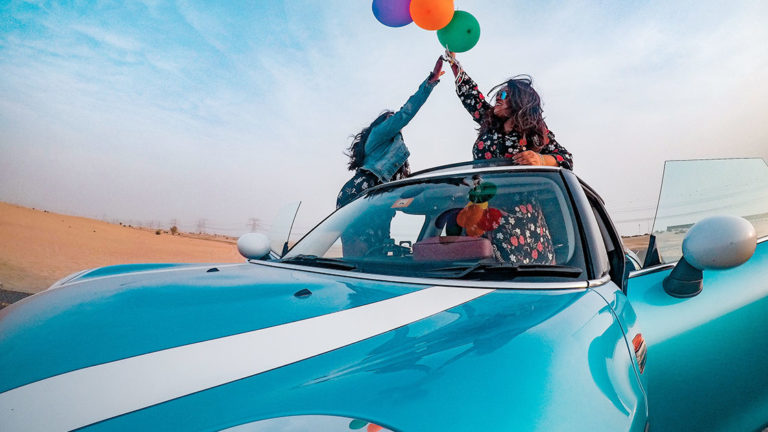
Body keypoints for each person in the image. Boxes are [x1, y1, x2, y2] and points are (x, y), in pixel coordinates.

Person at [446, 51, 573, 264]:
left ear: (519, 102)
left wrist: (541, 160)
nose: (497, 98)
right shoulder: (488, 120)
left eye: (504, 95)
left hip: (521, 222)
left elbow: (565, 159)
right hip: (481, 212)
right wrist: (454, 63)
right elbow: (470, 95)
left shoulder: (535, 132)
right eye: (498, 94)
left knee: (522, 280)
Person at [336, 58, 444, 257]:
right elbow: (406, 113)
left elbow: (404, 188)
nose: (394, 121)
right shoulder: (378, 134)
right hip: (362, 190)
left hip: (379, 195)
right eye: (390, 118)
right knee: (358, 251)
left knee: (376, 250)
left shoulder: (396, 151)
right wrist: (430, 82)